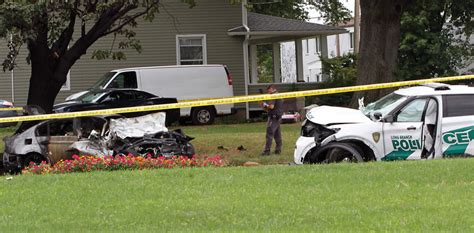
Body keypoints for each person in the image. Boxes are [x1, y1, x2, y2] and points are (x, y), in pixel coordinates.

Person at [260, 85, 283, 156]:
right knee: (277, 134)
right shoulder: (279, 95)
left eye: (268, 90)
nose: (268, 92)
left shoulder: (274, 96)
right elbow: (271, 108)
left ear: (272, 89)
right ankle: (278, 150)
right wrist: (264, 106)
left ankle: (267, 151)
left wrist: (265, 104)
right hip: (278, 117)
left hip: (273, 118)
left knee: (269, 134)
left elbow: (271, 106)